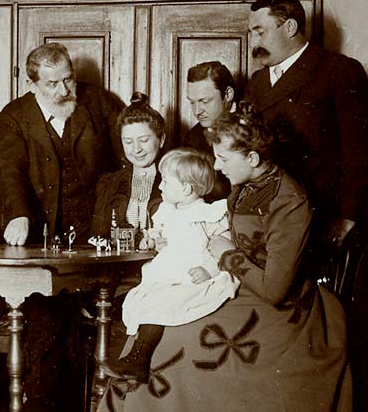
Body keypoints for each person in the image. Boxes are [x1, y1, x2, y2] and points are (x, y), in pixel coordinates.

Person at [98, 105, 350, 411]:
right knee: (160, 322)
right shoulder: (243, 186)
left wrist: (227, 256)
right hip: (236, 284)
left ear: (253, 159)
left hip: (281, 309)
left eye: (224, 158)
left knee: (181, 341)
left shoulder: (291, 202)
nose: (217, 166)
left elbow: (275, 290)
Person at [245, 0, 368, 243]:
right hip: (270, 214)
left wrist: (348, 215)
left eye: (260, 31)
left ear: (290, 27)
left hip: (321, 214)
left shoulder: (337, 70)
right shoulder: (258, 81)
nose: (254, 41)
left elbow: (361, 149)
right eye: (252, 32)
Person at [102, 148, 238, 382]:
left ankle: (139, 358)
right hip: (167, 271)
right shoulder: (167, 211)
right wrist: (152, 239)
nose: (161, 187)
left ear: (186, 189)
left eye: (166, 181)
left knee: (162, 304)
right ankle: (134, 357)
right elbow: (161, 233)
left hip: (191, 275)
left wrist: (209, 268)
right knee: (140, 299)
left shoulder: (207, 214)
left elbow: (224, 245)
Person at [0, 42, 123, 246]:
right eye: (52, 84)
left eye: (68, 79)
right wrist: (18, 214)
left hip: (96, 228)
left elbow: (126, 154)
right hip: (41, 230)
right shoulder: (15, 115)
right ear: (32, 85)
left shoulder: (98, 102)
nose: (63, 91)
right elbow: (7, 169)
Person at [92, 92, 165, 238]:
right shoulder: (109, 184)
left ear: (161, 140)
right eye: (128, 142)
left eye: (144, 140)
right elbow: (100, 234)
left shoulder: (176, 180)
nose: (136, 149)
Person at [183, 61, 234, 203]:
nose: (197, 111)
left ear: (228, 94)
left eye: (205, 101)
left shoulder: (252, 128)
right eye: (192, 102)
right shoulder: (193, 137)